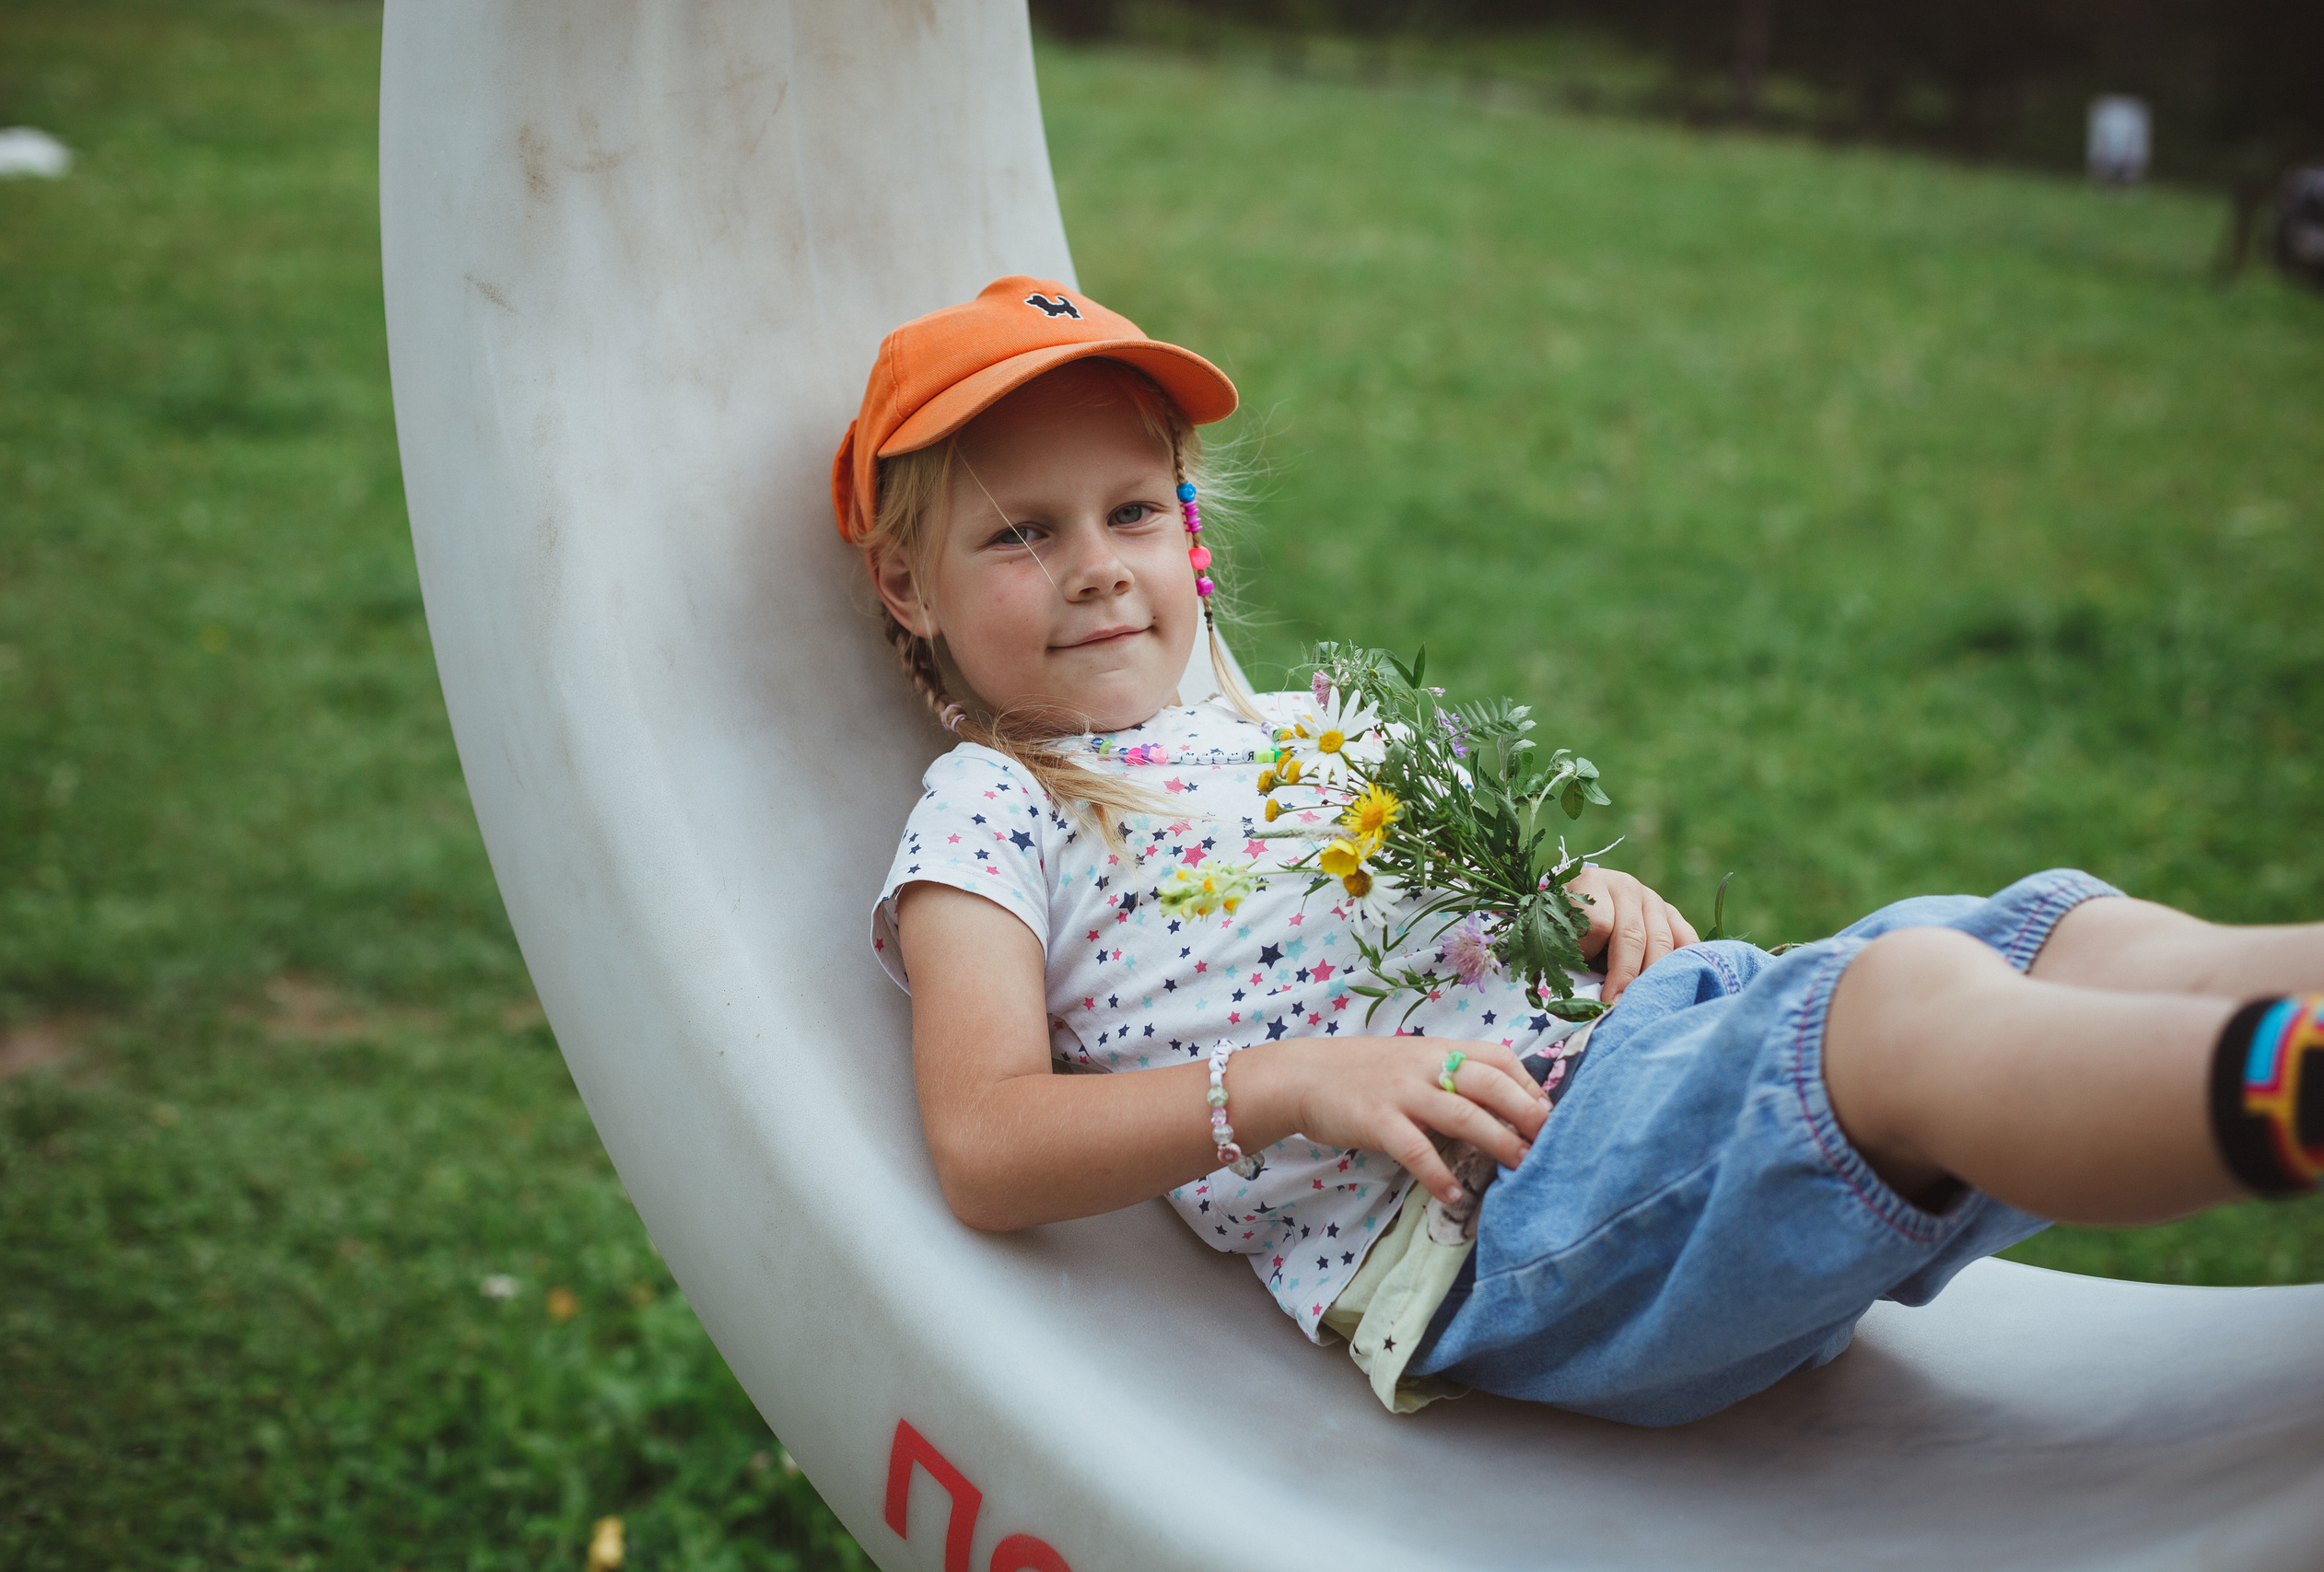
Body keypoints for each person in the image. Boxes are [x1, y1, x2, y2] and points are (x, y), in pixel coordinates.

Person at [840, 275, 2322, 1424]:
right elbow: (986, 1142)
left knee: (2044, 933)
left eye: (1131, 513)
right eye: (1023, 535)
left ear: (1191, 535)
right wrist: (1288, 1085)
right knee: (1912, 1007)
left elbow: (1450, 920)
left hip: (1650, 1066)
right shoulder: (996, 806)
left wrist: (1578, 903)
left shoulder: (1302, 724)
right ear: (908, 585)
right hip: (1501, 1219)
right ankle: (2280, 1087)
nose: (1098, 568)